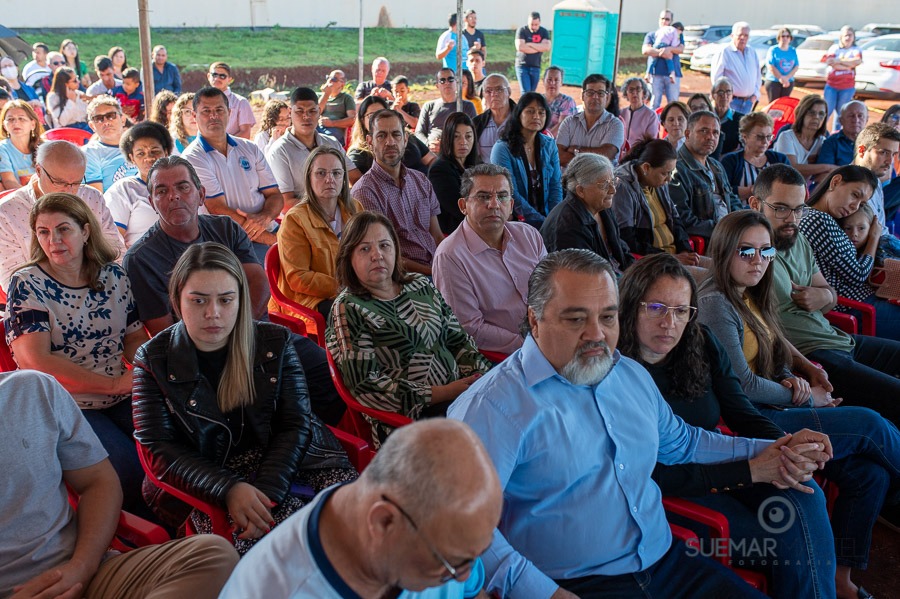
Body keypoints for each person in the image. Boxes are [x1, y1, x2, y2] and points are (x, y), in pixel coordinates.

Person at [447, 248, 820, 598]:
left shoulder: (627, 374)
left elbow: (684, 443)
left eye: (607, 317)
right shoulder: (492, 407)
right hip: (575, 583)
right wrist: (541, 592)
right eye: (576, 318)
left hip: (666, 562)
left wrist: (772, 447)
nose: (596, 334)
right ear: (535, 318)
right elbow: (463, 525)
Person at [698, 210, 900, 598]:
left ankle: (841, 582)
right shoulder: (715, 303)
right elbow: (740, 385)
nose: (758, 260)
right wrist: (799, 393)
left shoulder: (748, 292)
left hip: (777, 401)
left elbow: (772, 338)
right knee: (870, 424)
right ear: (724, 252)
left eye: (765, 251)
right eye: (746, 251)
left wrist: (803, 368)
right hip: (754, 421)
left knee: (869, 475)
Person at [617, 252, 839, 599]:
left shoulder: (700, 341)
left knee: (806, 495)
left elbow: (740, 413)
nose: (669, 323)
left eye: (681, 311)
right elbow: (647, 473)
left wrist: (784, 445)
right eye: (656, 308)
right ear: (630, 307)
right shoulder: (617, 372)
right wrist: (752, 469)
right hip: (666, 489)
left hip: (716, 459)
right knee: (782, 540)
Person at [132, 242, 356, 552]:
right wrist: (229, 488)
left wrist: (268, 490)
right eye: (198, 300)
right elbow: (159, 449)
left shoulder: (272, 340)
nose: (213, 313)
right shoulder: (153, 358)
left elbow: (295, 423)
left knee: (358, 527)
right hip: (209, 475)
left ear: (240, 300)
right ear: (176, 301)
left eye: (226, 300)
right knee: (267, 554)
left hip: (293, 459)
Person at [124, 156, 346, 426]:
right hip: (205, 355)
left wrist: (243, 331)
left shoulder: (225, 228)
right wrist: (225, 345)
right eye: (162, 191)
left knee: (329, 372)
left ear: (201, 194)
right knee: (259, 406)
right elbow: (165, 331)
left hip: (257, 332)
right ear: (152, 202)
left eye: (183, 187)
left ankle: (309, 435)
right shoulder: (141, 259)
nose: (174, 196)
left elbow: (258, 283)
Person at [0, 368, 239, 599]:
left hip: (84, 573)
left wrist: (83, 566)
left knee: (214, 554)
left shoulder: (31, 389)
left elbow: (99, 482)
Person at [218, 419, 502, 599]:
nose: (464, 574)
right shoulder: (277, 589)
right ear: (383, 522)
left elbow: (471, 590)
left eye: (476, 554)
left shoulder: (446, 534)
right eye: (455, 563)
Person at [5, 192, 149, 514]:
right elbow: (35, 362)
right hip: (64, 406)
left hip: (120, 393)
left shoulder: (113, 276)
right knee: (131, 472)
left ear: (85, 232)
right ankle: (162, 544)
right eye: (43, 232)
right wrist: (113, 384)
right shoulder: (27, 283)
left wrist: (141, 371)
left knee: (169, 447)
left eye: (63, 229)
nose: (53, 240)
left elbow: (134, 336)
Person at [748, 163, 900, 425]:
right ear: (755, 204)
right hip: (812, 354)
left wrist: (825, 297)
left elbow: (829, 295)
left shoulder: (798, 239)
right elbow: (760, 327)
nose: (792, 219)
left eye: (798, 209)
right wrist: (804, 365)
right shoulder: (748, 254)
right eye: (781, 208)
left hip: (837, 338)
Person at [326, 211, 490, 442]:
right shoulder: (349, 308)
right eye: (365, 249)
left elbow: (458, 340)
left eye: (385, 245)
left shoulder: (420, 285)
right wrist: (445, 392)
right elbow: (366, 386)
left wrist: (482, 377)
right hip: (410, 418)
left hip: (462, 396)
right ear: (348, 257)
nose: (377, 255)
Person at [433, 163, 546, 355]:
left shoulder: (529, 235)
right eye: (483, 196)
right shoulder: (450, 256)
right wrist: (531, 345)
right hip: (502, 355)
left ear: (510, 205)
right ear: (463, 206)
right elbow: (470, 328)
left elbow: (550, 289)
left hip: (546, 336)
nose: (494, 204)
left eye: (502, 196)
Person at [0, 140, 125, 291]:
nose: (69, 190)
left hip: (97, 288)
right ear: (39, 171)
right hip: (40, 298)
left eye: (77, 182)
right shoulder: (7, 212)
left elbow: (116, 252)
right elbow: (13, 279)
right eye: (59, 182)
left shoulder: (91, 197)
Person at [182, 87, 282, 263]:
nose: (214, 116)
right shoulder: (193, 158)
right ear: (194, 115)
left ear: (229, 112)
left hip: (267, 229)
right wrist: (273, 241)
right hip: (228, 242)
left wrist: (265, 217)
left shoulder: (249, 148)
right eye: (206, 111)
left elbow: (274, 195)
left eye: (219, 110)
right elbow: (217, 209)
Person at [800, 165, 900, 340]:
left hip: (858, 300)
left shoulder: (819, 216)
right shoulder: (819, 220)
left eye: (862, 203)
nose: (855, 206)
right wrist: (874, 237)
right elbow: (858, 274)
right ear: (836, 182)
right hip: (852, 306)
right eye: (855, 195)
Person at [352, 109, 444, 276]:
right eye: (381, 136)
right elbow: (383, 256)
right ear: (370, 141)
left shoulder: (421, 181)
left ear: (405, 139)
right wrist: (433, 273)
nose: (390, 142)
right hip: (402, 278)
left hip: (436, 267)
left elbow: (437, 236)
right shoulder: (365, 192)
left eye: (396, 134)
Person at [274, 146, 361, 319]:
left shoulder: (355, 208)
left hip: (352, 290)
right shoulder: (295, 219)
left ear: (344, 177)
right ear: (309, 178)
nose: (330, 179)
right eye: (321, 173)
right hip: (309, 300)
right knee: (358, 314)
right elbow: (298, 278)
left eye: (336, 173)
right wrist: (344, 285)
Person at [267, 87, 360, 214]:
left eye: (312, 111)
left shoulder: (331, 143)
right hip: (302, 222)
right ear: (290, 112)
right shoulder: (279, 151)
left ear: (319, 111)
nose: (306, 117)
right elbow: (286, 203)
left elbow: (357, 180)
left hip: (339, 216)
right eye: (300, 111)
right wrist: (330, 205)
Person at [541, 152, 633, 275]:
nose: (613, 190)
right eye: (605, 185)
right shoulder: (567, 226)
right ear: (580, 191)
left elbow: (620, 249)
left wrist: (636, 273)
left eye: (613, 182)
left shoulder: (602, 208)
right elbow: (584, 276)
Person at [613, 139, 699, 265]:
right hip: (654, 262)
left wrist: (686, 250)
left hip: (673, 256)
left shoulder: (658, 183)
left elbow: (675, 219)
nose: (669, 179)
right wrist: (670, 258)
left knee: (719, 270)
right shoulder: (623, 188)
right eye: (665, 173)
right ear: (646, 168)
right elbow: (628, 240)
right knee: (708, 278)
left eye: (671, 172)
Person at [491, 92, 562, 227]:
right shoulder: (502, 148)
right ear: (519, 114)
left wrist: (554, 217)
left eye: (541, 112)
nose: (536, 116)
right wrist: (541, 221)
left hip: (547, 216)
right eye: (530, 111)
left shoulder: (549, 145)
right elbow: (510, 192)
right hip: (516, 219)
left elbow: (555, 186)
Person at [670, 110, 742, 241]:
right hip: (711, 240)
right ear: (687, 134)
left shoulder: (716, 165)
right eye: (703, 131)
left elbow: (731, 198)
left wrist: (744, 220)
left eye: (715, 133)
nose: (710, 137)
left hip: (730, 233)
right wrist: (723, 230)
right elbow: (682, 218)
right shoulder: (676, 169)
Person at [104, 120, 173, 247]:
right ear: (132, 158)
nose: (149, 158)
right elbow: (113, 240)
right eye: (141, 153)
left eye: (155, 151)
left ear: (166, 152)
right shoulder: (123, 190)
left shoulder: (182, 186)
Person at [348, 96, 434, 175]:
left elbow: (431, 159)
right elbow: (357, 183)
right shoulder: (359, 153)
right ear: (362, 121)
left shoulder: (407, 136)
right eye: (371, 115)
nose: (378, 119)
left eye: (382, 113)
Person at [427, 112, 482, 234]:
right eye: (456, 137)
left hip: (478, 227)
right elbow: (460, 209)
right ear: (447, 138)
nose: (463, 142)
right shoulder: (439, 170)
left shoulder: (478, 166)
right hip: (454, 235)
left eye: (468, 136)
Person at [852, 122, 900, 259]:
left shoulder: (876, 181)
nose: (890, 161)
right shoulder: (851, 185)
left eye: (894, 154)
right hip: (865, 260)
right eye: (883, 152)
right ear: (861, 150)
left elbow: (881, 231)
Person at [557, 73, 624, 166]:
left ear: (607, 98)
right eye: (590, 92)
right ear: (583, 96)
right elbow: (559, 157)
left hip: (602, 180)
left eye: (600, 93)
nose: (595, 97)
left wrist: (577, 150)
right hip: (569, 179)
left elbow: (607, 155)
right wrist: (594, 160)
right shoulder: (569, 122)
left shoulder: (615, 124)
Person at [721, 111, 790, 201]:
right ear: (745, 137)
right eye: (759, 137)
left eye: (769, 137)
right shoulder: (730, 161)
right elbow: (723, 191)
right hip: (741, 213)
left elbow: (791, 184)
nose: (765, 141)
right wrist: (752, 190)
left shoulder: (780, 159)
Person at [773, 93, 833, 182]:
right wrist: (827, 167)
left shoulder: (822, 141)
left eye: (821, 114)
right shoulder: (787, 136)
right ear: (801, 114)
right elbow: (791, 168)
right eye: (811, 113)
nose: (816, 117)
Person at [83, 96, 137, 192]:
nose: (106, 122)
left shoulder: (140, 145)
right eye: (99, 118)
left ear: (123, 120)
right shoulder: (90, 153)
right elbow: (97, 198)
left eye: (111, 116)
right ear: (92, 126)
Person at [415, 68, 477, 144]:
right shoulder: (429, 106)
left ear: (456, 82)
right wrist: (428, 144)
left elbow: (474, 132)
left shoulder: (467, 106)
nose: (447, 83)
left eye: (450, 79)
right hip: (432, 152)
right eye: (442, 80)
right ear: (437, 85)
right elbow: (418, 133)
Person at [710, 22, 760, 114]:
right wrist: (725, 97)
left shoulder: (752, 52)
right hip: (731, 102)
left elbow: (757, 76)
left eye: (746, 35)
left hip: (748, 102)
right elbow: (716, 78)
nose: (743, 38)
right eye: (740, 35)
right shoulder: (724, 52)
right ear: (732, 36)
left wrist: (755, 95)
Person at [642, 9, 684, 109]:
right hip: (655, 73)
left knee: (674, 103)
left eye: (667, 19)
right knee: (654, 102)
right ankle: (653, 124)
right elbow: (645, 50)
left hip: (673, 75)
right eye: (662, 18)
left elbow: (680, 49)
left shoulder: (676, 34)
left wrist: (668, 49)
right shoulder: (652, 35)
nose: (664, 21)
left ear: (671, 21)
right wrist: (663, 52)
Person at [824, 26, 862, 132]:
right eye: (846, 35)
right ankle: (821, 132)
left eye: (850, 35)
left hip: (847, 87)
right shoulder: (834, 48)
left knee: (841, 114)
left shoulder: (856, 49)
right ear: (841, 36)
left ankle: (836, 133)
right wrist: (848, 64)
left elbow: (857, 62)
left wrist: (839, 61)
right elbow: (830, 62)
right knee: (827, 111)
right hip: (832, 86)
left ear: (854, 37)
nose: (848, 37)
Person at [0, 100, 43, 190]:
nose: (15, 123)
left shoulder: (45, 147)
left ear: (33, 124)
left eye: (21, 118)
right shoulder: (2, 149)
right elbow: (9, 181)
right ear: (4, 126)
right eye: (10, 119)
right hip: (20, 199)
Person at [207, 61, 255, 139]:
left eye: (222, 76)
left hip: (231, 149)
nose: (217, 78)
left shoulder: (241, 102)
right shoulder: (200, 101)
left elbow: (245, 133)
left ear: (230, 79)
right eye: (214, 75)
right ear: (208, 76)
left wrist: (222, 145)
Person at [473, 73, 515, 162]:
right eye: (488, 91)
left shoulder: (521, 120)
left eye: (499, 89)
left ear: (509, 92)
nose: (494, 94)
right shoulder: (477, 123)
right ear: (483, 95)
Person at [619, 77, 659, 158]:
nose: (634, 93)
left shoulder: (651, 115)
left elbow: (650, 142)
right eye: (631, 90)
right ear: (626, 93)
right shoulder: (621, 113)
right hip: (620, 156)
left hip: (640, 157)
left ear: (643, 93)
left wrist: (631, 153)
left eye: (638, 89)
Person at [515, 11, 551, 93]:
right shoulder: (522, 30)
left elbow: (547, 47)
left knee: (532, 92)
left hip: (536, 66)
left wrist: (529, 44)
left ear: (539, 23)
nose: (533, 27)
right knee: (525, 92)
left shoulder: (543, 32)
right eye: (531, 24)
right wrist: (539, 47)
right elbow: (520, 47)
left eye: (536, 25)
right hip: (522, 65)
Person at [710, 77, 746, 156]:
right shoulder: (706, 118)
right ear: (713, 95)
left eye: (728, 92)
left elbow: (744, 147)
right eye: (720, 92)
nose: (724, 95)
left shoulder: (740, 119)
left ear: (732, 95)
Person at [317, 69, 356, 142]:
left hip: (334, 131)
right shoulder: (323, 97)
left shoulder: (346, 98)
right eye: (328, 77)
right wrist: (326, 94)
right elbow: (316, 113)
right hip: (319, 127)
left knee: (326, 139)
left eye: (334, 79)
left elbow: (353, 119)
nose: (330, 80)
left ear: (342, 83)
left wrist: (332, 123)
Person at [542, 66, 576, 138]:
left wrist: (544, 139)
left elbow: (562, 125)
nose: (552, 83)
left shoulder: (567, 101)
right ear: (543, 81)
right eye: (549, 79)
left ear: (561, 83)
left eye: (556, 80)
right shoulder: (537, 100)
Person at [765, 28, 799, 100]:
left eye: (787, 36)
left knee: (784, 104)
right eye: (783, 36)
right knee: (774, 104)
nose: (785, 38)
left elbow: (796, 66)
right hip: (774, 81)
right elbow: (771, 65)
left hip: (788, 82)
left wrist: (787, 78)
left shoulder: (792, 50)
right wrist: (780, 77)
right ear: (779, 38)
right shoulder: (773, 50)